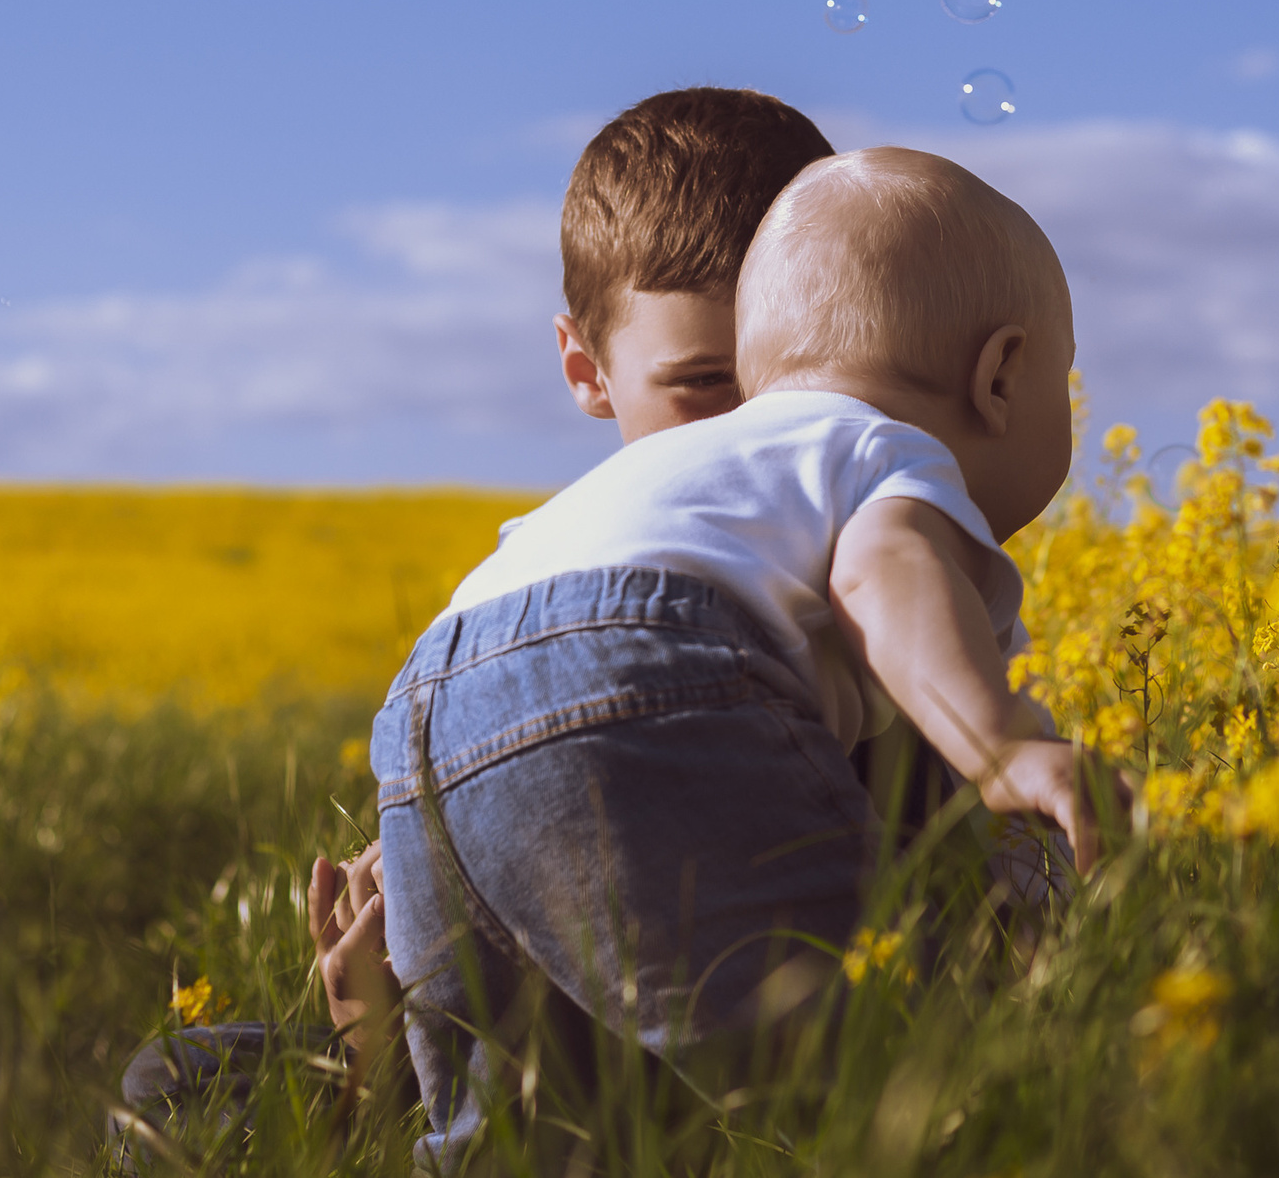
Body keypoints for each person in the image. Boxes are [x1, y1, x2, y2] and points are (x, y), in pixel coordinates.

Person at [115, 88, 835, 1155]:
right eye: (706, 388)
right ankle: (369, 1078)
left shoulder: (857, 530)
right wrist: (382, 997)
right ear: (586, 370)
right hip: (596, 1019)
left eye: (797, 384)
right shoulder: (595, 597)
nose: (757, 434)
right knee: (180, 1075)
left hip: (682, 1031)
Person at [373, 147, 1122, 1169]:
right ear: (999, 375)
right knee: (894, 1078)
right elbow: (885, 573)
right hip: (645, 664)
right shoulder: (880, 448)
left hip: (432, 688)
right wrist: (1000, 746)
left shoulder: (692, 466)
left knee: (529, 1136)